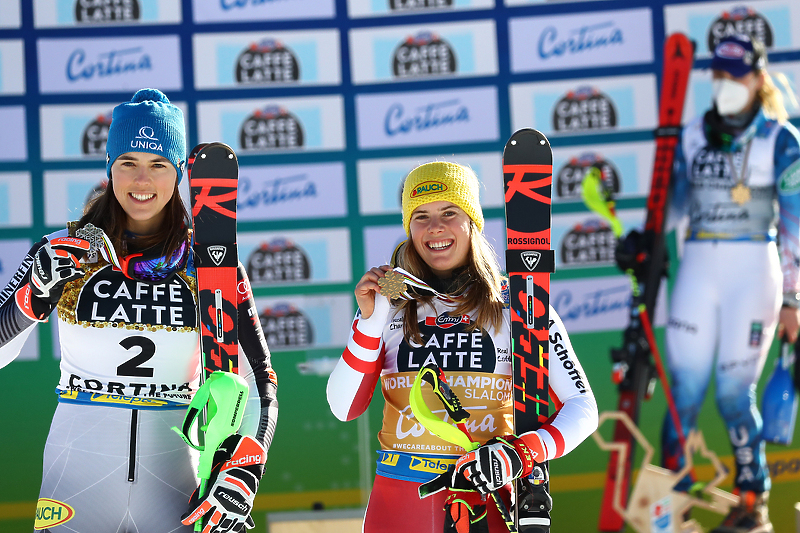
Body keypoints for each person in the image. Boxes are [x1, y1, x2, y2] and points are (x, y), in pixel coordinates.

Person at [0, 88, 278, 533]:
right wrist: (33, 294)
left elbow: (256, 380)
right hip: (76, 475)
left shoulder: (210, 262)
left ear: (180, 172)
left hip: (175, 479)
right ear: (109, 170)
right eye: (128, 162)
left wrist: (245, 468)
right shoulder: (62, 250)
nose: (142, 181)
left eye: (158, 165)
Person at [326, 161, 598, 532]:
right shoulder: (392, 298)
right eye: (420, 216)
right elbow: (343, 408)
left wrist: (523, 453)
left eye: (449, 212)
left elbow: (583, 408)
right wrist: (370, 321)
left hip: (486, 496)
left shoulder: (518, 303)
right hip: (401, 501)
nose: (435, 227)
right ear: (408, 228)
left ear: (472, 221)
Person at [662, 33, 800, 533]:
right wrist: (646, 234)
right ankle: (671, 506)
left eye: (735, 75)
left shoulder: (780, 139)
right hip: (698, 265)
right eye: (717, 75)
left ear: (759, 79)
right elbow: (674, 203)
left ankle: (751, 501)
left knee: (732, 394)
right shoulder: (693, 134)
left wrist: (792, 297)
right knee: (684, 391)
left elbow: (795, 225)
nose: (725, 84)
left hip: (752, 271)